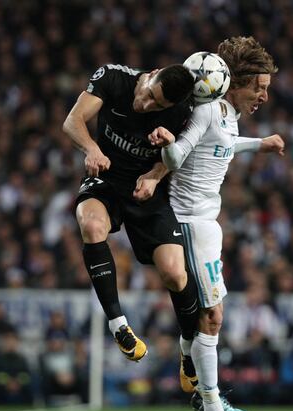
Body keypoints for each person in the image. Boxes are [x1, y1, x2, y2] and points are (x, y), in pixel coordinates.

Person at [148, 37, 285, 411]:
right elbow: (181, 155)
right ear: (236, 82)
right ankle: (210, 406)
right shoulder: (208, 109)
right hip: (190, 223)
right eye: (258, 87)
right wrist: (166, 146)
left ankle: (200, 379)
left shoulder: (228, 113)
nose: (263, 95)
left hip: (209, 223)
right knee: (212, 317)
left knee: (208, 318)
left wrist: (259, 144)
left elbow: (221, 146)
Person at [63, 63, 200, 362]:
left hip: (146, 189)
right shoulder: (114, 78)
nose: (147, 105)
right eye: (150, 95)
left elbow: (182, 155)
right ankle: (118, 325)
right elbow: (73, 121)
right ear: (153, 73)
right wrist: (91, 149)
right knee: (91, 225)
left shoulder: (181, 113)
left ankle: (189, 351)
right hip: (107, 178)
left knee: (175, 275)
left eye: (158, 105)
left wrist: (155, 175)